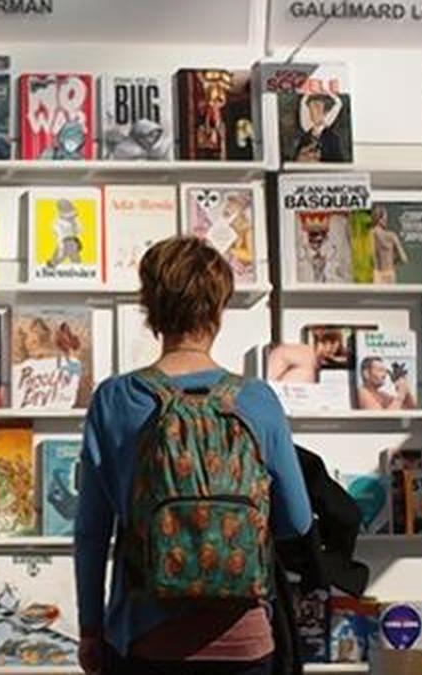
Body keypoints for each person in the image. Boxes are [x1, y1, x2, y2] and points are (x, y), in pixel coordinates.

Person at [75, 236, 313, 675]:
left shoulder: (114, 398)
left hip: (147, 637)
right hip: (244, 640)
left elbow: (92, 531)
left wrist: (90, 629)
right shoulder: (257, 399)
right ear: (218, 309)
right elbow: (296, 521)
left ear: (150, 307)